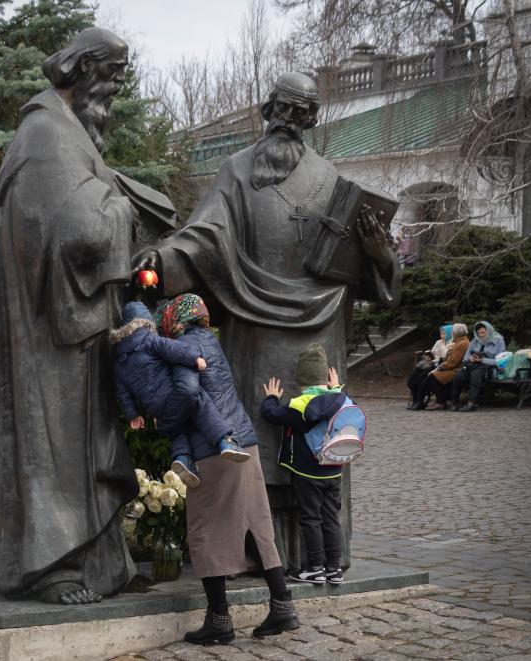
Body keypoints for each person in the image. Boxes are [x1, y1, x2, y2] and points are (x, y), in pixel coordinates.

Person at [135, 72, 400, 573]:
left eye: (301, 113)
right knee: (253, 436)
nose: (290, 120)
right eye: (283, 109)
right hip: (253, 331)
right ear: (267, 110)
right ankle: (253, 551)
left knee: (315, 441)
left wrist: (381, 256)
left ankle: (320, 555)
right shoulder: (236, 172)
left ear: (312, 120)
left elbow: (368, 272)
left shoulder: (332, 180)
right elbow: (202, 237)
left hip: (321, 334)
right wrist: (161, 259)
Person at [0, 28, 141, 605]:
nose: (115, 87)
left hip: (71, 331)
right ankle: (50, 566)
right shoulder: (46, 134)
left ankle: (89, 561)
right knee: (52, 449)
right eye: (111, 74)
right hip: (49, 339)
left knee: (77, 451)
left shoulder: (64, 134)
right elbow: (77, 232)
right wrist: (127, 207)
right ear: (83, 68)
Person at [155, 295, 299, 644]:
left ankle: (219, 619)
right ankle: (282, 604)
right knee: (256, 524)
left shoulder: (185, 347)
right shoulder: (210, 342)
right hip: (243, 441)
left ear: (175, 320)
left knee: (206, 527)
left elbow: (188, 394)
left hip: (213, 447)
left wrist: (165, 421)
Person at [110, 301, 247, 488]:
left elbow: (122, 393)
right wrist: (194, 359)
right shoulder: (149, 340)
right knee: (202, 407)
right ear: (145, 323)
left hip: (155, 407)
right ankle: (225, 442)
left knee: (176, 429)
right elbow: (173, 350)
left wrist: (133, 415)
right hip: (172, 391)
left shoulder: (119, 362)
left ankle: (182, 458)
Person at [260, 343, 348, 586]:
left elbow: (270, 414)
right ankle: (334, 569)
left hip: (307, 473)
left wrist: (271, 397)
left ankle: (315, 568)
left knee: (310, 519)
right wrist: (336, 387)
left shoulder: (298, 405)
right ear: (326, 377)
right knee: (331, 518)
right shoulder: (340, 399)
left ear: (301, 379)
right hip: (334, 469)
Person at [450, 321, 505, 412]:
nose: (481, 335)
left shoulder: (499, 340)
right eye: (479, 333)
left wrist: (483, 360)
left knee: (476, 375)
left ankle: (472, 403)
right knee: (458, 376)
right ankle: (454, 402)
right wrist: (470, 359)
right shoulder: (475, 341)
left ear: (488, 331)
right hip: (472, 365)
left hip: (488, 367)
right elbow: (465, 358)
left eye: (483, 332)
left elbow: (501, 361)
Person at [419, 323, 470, 410]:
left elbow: (453, 362)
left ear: (456, 333)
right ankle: (439, 401)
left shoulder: (462, 343)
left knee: (432, 378)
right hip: (452, 368)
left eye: (453, 332)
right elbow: (451, 359)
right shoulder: (459, 342)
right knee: (430, 377)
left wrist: (438, 368)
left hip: (456, 370)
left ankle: (440, 402)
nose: (451, 334)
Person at [406, 324, 452, 409]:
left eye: (444, 334)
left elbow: (446, 356)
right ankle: (415, 400)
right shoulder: (438, 342)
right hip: (432, 364)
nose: (442, 336)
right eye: (441, 334)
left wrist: (442, 345)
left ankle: (420, 401)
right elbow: (432, 351)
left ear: (450, 334)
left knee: (423, 377)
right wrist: (426, 356)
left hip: (441, 366)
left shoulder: (451, 344)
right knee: (414, 375)